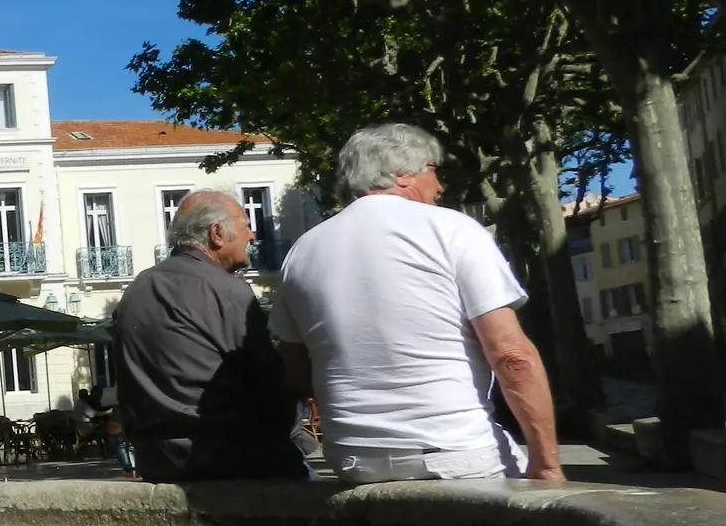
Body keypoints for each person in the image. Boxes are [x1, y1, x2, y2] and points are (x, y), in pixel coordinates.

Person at [271, 123, 563, 484]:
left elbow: (295, 371)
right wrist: (547, 465)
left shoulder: (301, 251)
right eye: (433, 170)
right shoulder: (453, 229)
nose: (439, 186)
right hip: (456, 453)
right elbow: (512, 356)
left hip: (354, 459)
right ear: (402, 174)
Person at [115, 191, 309, 482]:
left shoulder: (136, 290)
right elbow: (270, 388)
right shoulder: (228, 291)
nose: (252, 236)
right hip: (229, 457)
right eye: (245, 225)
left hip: (157, 459)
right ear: (217, 233)